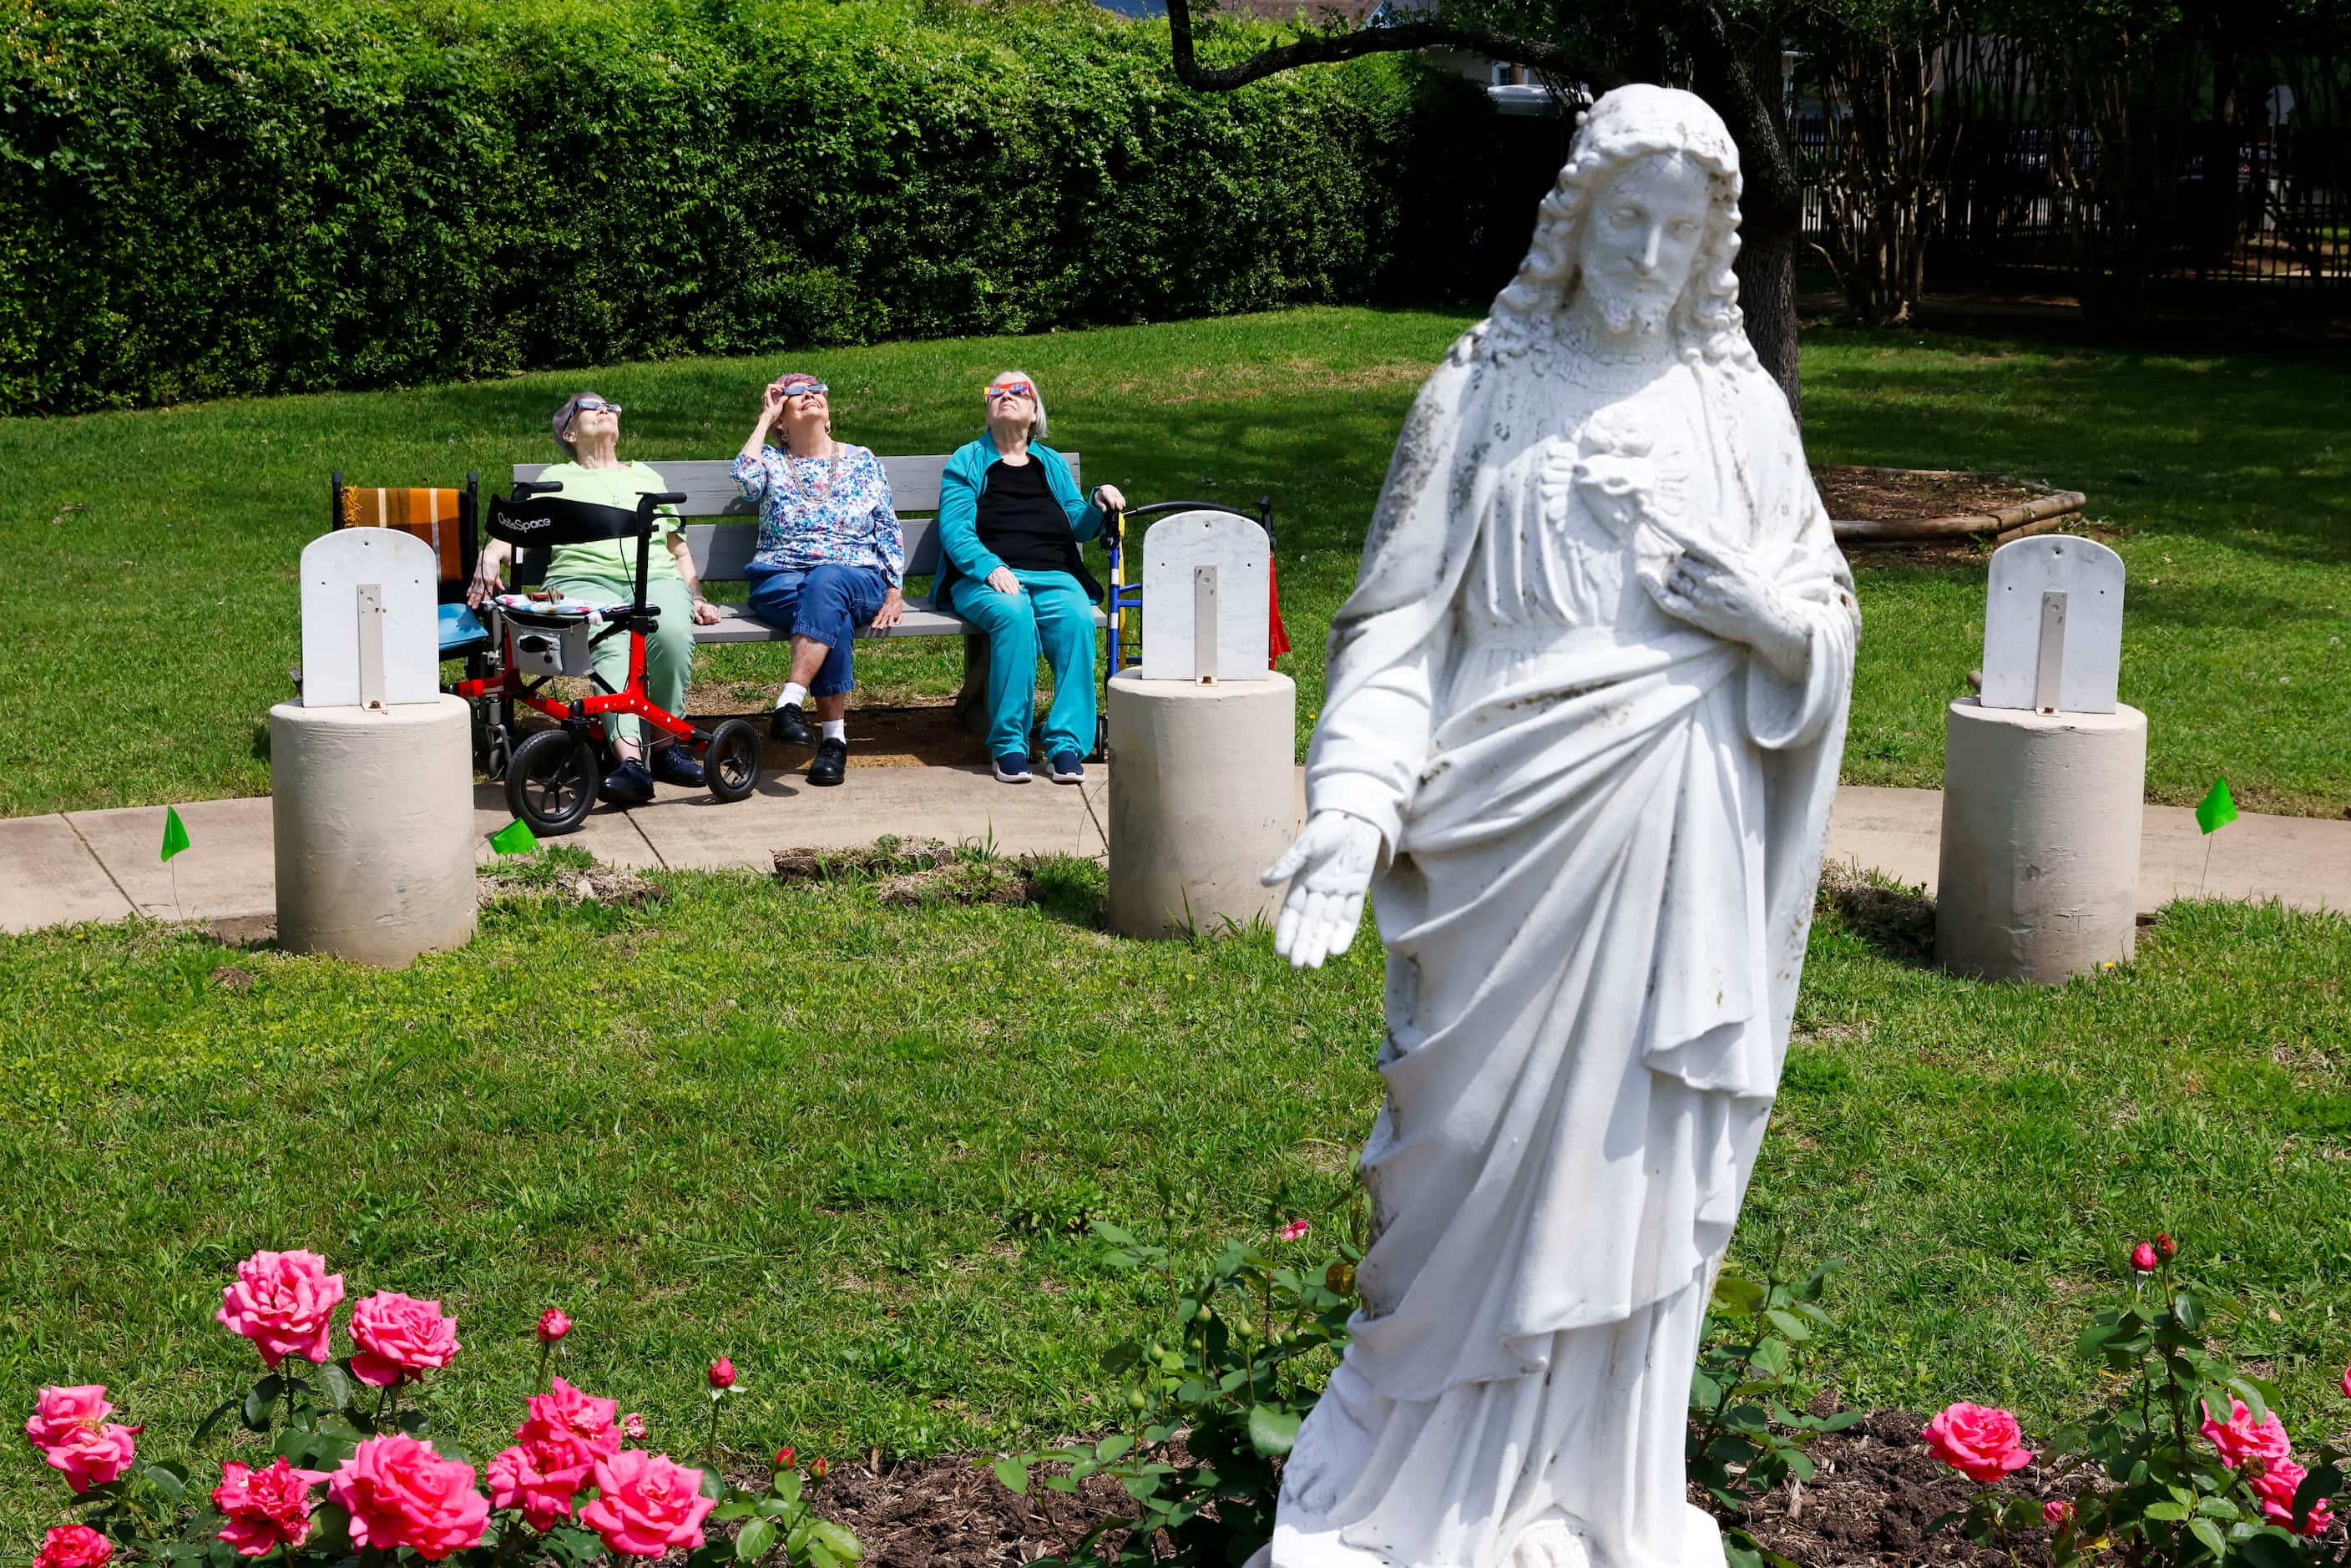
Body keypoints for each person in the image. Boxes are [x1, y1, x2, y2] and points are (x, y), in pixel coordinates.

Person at [1259, 87, 1858, 1568]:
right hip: (1495, 847)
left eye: (1680, 228)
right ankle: (1408, 1501)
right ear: (1572, 220)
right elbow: (1394, 630)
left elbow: (1826, 618)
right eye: (1624, 218)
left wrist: (1772, 624)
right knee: (1455, 1169)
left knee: (1636, 1174)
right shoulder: (1481, 391)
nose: (1648, 254)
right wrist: (1349, 801)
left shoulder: (1739, 413)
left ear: (1713, 248)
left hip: (1679, 832)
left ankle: (1598, 1496)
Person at [468, 392, 723, 805]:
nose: (605, 410)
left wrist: (695, 596)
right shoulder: (558, 477)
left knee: (673, 632)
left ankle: (664, 746)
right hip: (583, 577)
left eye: (611, 407)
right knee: (612, 636)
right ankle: (629, 761)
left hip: (653, 574)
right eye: (589, 406)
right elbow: (518, 533)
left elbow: (677, 550)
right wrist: (490, 555)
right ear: (569, 432)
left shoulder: (648, 477)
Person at [934, 371, 1125, 783]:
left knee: (1076, 618)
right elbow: (955, 530)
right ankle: (1009, 745)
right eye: (996, 392)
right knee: (1014, 614)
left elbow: (1076, 522)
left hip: (1053, 574)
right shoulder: (966, 460)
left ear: (1034, 409)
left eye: (1018, 391)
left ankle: (1066, 744)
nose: (1006, 396)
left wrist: (1097, 500)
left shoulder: (1051, 463)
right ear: (987, 409)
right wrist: (990, 567)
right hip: (984, 578)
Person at [731, 372, 907, 787]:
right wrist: (762, 419)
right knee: (832, 612)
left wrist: (895, 589)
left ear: (828, 413)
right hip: (781, 579)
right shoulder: (772, 461)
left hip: (858, 577)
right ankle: (834, 744)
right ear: (782, 421)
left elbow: (887, 525)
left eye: (817, 390)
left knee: (829, 582)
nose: (809, 395)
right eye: (794, 394)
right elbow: (743, 478)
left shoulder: (862, 459)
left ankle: (790, 700)